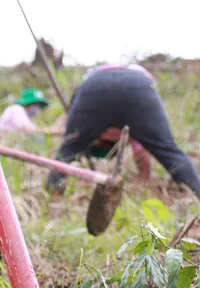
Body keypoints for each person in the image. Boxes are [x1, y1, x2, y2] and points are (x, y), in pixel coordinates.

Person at [47, 64, 200, 197]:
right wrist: (144, 182)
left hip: (94, 86)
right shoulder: (135, 129)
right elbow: (142, 156)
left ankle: (52, 193)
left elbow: (71, 128)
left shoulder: (89, 91)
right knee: (168, 151)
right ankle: (195, 192)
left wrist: (75, 140)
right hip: (138, 85)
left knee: (68, 150)